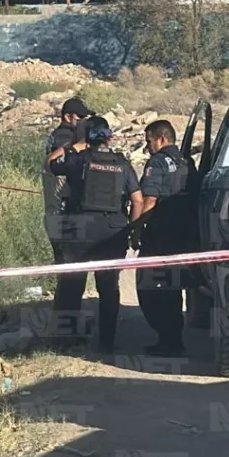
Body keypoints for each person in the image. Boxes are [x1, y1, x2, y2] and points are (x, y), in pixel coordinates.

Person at [48, 116, 143, 354]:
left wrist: (72, 145)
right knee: (108, 288)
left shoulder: (78, 160)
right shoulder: (122, 164)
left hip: (79, 228)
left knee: (71, 285)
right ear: (108, 137)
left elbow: (50, 164)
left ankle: (65, 342)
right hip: (112, 230)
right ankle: (106, 343)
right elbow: (137, 199)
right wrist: (132, 231)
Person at [135, 120, 199, 356]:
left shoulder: (157, 162)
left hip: (159, 236)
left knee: (150, 287)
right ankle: (173, 339)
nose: (147, 146)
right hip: (182, 235)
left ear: (161, 139)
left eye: (149, 140)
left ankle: (167, 338)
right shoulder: (187, 161)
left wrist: (137, 228)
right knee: (172, 287)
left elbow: (150, 200)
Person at [43, 97, 92, 343]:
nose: (84, 122)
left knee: (70, 276)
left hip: (58, 213)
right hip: (62, 215)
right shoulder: (64, 139)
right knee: (71, 277)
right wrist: (80, 147)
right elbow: (60, 165)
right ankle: (65, 333)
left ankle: (66, 329)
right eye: (80, 118)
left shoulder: (63, 138)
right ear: (68, 117)